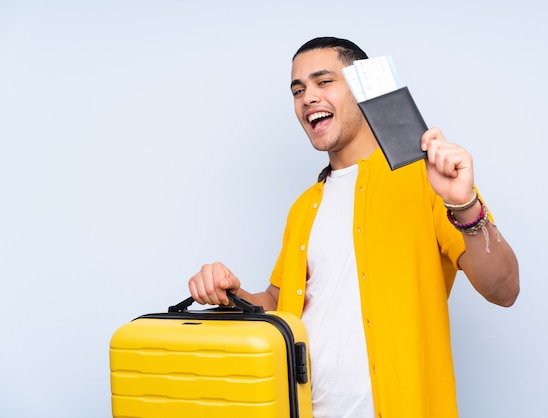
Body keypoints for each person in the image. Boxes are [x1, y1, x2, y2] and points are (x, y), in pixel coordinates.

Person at [188, 36, 520, 417]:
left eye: (323, 81)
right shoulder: (304, 207)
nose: (307, 97)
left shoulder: (423, 177)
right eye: (298, 90)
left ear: (364, 89)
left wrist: (464, 205)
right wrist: (234, 296)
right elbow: (282, 305)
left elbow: (505, 289)